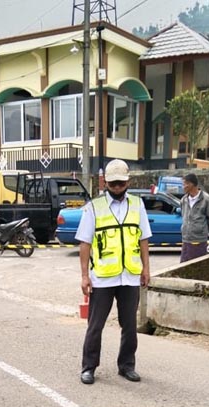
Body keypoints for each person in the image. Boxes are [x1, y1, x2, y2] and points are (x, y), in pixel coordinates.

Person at [78, 159, 151, 385]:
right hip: (102, 277)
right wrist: (84, 276)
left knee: (129, 325)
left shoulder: (138, 205)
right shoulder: (94, 207)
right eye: (113, 184)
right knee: (95, 325)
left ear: (128, 181)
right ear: (105, 183)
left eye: (121, 183)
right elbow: (84, 243)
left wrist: (146, 268)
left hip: (129, 276)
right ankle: (89, 367)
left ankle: (127, 366)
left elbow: (144, 239)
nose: (117, 187)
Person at [180, 172, 209, 262]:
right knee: (183, 265)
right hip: (186, 239)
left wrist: (201, 230)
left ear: (191, 184)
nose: (183, 186)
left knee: (197, 265)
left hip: (199, 239)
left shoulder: (207, 199)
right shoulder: (184, 200)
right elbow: (183, 215)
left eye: (184, 184)